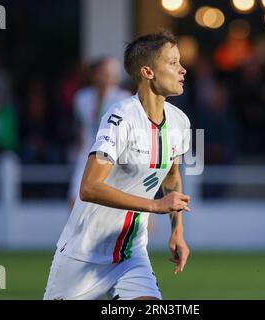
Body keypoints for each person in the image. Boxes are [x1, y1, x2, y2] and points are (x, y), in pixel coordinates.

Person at [44, 30, 191, 300]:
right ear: (147, 72)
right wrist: (155, 205)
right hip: (84, 255)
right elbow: (88, 188)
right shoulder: (120, 117)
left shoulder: (180, 122)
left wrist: (177, 230)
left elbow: (172, 177)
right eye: (172, 63)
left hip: (131, 254)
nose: (182, 70)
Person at [68, 57, 130, 210]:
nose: (109, 77)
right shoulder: (82, 97)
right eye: (105, 73)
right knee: (75, 198)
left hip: (115, 153)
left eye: (112, 73)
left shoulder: (124, 98)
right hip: (89, 152)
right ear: (94, 75)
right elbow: (83, 128)